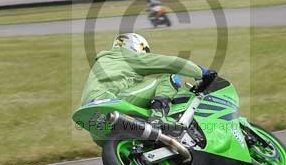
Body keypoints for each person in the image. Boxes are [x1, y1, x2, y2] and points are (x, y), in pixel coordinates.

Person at [80, 33, 215, 129]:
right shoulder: (129, 56)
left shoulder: (104, 61)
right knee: (170, 74)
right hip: (112, 99)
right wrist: (201, 72)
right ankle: (158, 114)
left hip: (88, 110)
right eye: (145, 50)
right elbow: (171, 63)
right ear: (136, 46)